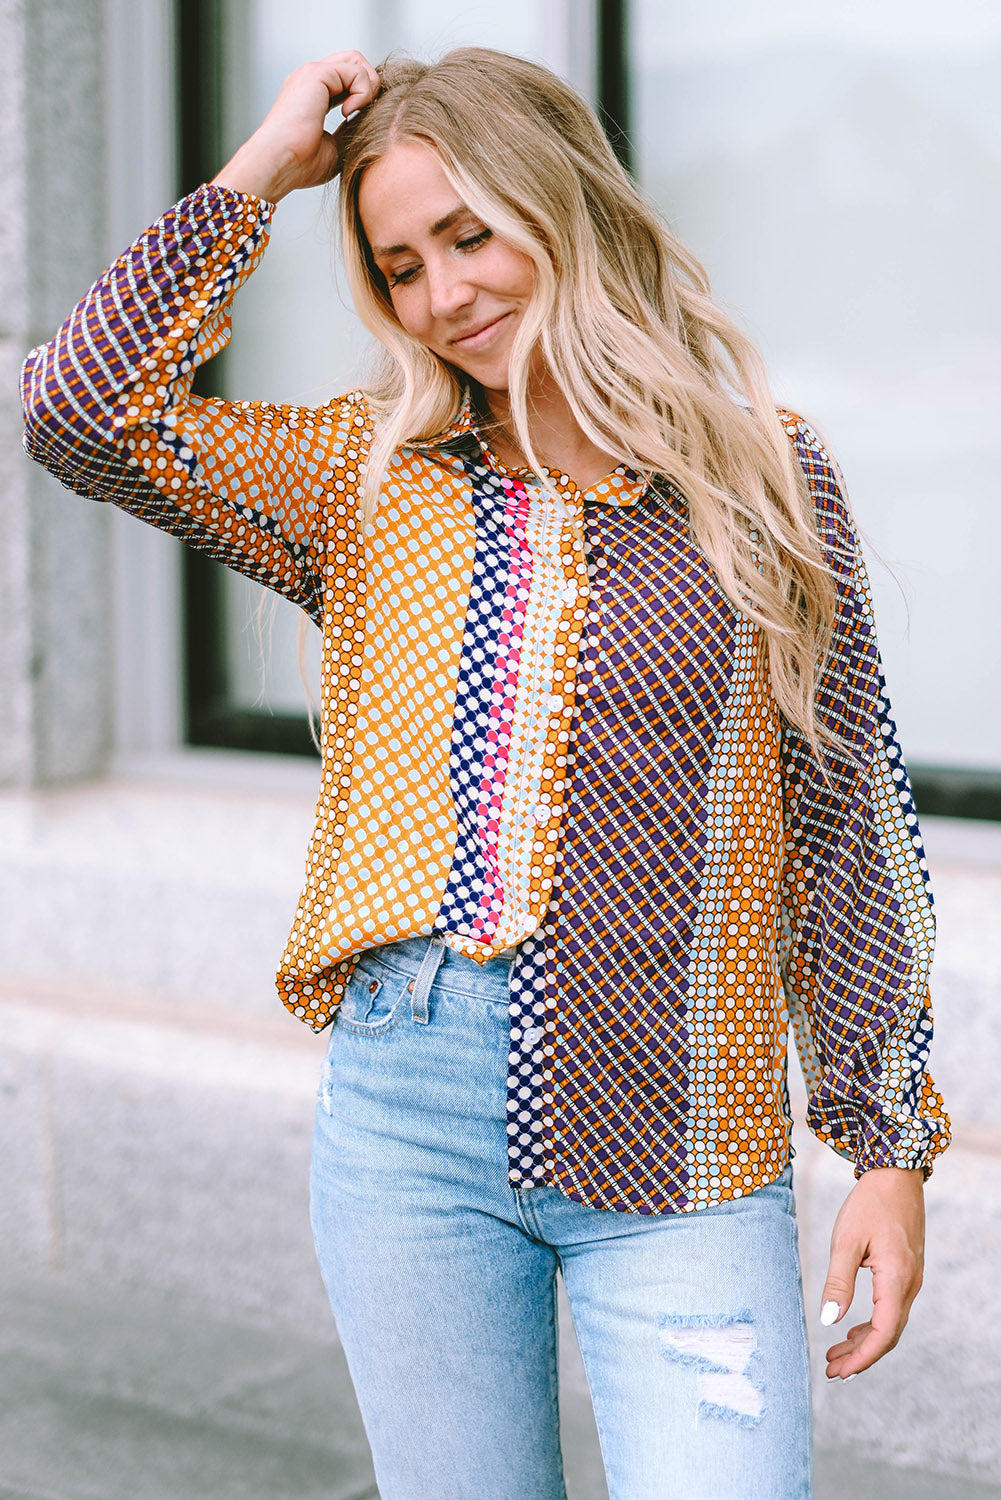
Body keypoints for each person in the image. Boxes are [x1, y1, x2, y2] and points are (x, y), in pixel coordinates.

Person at [21, 45, 950, 1500]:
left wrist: (885, 1148)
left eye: (468, 233)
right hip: (409, 1128)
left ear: (565, 205)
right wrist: (264, 170)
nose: (442, 295)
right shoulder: (364, 477)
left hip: (687, 1133)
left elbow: (848, 826)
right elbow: (80, 412)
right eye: (397, 266)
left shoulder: (764, 476)